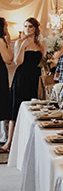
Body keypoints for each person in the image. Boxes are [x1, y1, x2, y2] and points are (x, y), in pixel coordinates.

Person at [2, 18, 45, 152]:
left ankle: (29, 141)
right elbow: (17, 61)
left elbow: (42, 61)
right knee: (16, 107)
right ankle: (9, 142)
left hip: (35, 78)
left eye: (30, 26)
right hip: (22, 77)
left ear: (35, 29)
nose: (27, 29)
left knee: (33, 108)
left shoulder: (40, 44)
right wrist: (23, 46)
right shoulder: (20, 42)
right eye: (25, 26)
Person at [0, 18, 14, 148]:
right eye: (6, 26)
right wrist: (8, 44)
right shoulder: (0, 41)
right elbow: (8, 59)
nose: (7, 29)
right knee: (2, 101)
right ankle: (2, 136)